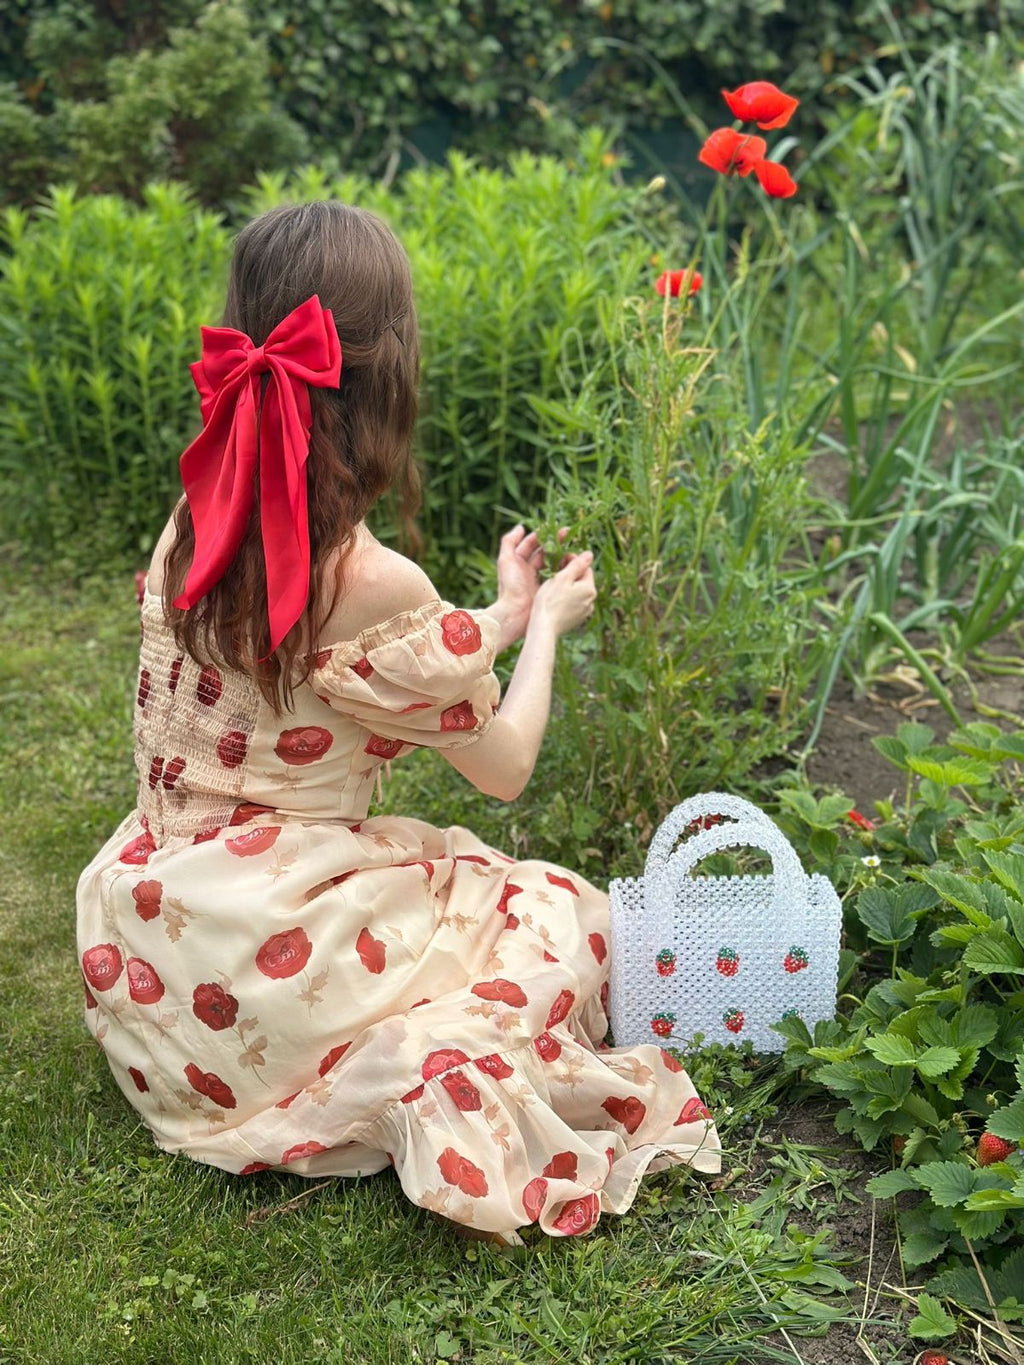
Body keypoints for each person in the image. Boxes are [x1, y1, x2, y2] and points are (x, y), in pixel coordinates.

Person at [76, 200, 721, 1248]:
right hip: (275, 957)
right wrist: (548, 625)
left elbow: (348, 660)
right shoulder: (375, 579)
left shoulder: (197, 512)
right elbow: (503, 768)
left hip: (158, 954)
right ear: (386, 367)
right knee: (561, 913)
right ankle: (412, 1087)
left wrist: (498, 616)